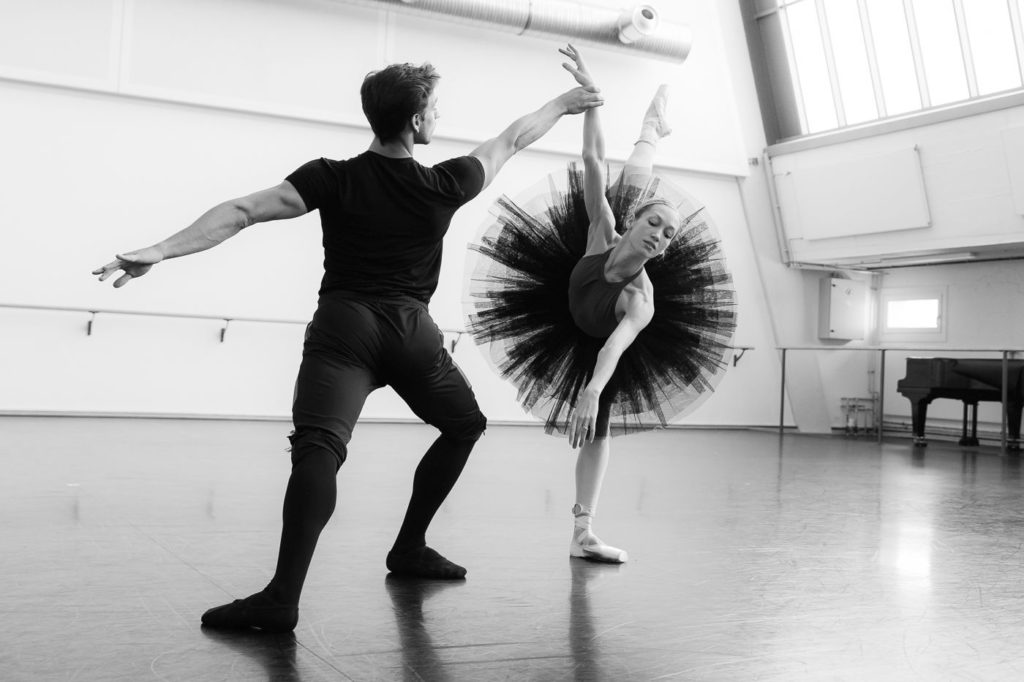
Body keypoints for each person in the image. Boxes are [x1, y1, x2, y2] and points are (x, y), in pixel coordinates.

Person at [93, 59, 603, 632]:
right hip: (412, 335)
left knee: (319, 451)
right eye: (435, 108)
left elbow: (240, 212)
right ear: (414, 121)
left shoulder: (331, 178)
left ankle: (283, 599)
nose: (439, 115)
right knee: (464, 425)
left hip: (345, 331)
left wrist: (161, 251)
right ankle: (408, 547)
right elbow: (513, 138)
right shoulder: (446, 182)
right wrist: (563, 103)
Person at [464, 45, 736, 564]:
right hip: (576, 282)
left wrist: (590, 390)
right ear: (634, 224)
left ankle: (583, 532)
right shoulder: (602, 231)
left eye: (667, 233)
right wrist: (591, 100)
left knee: (599, 424)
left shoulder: (641, 299)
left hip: (598, 337)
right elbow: (591, 160)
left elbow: (616, 346)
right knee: (631, 175)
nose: (657, 234)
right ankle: (652, 129)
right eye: (652, 224)